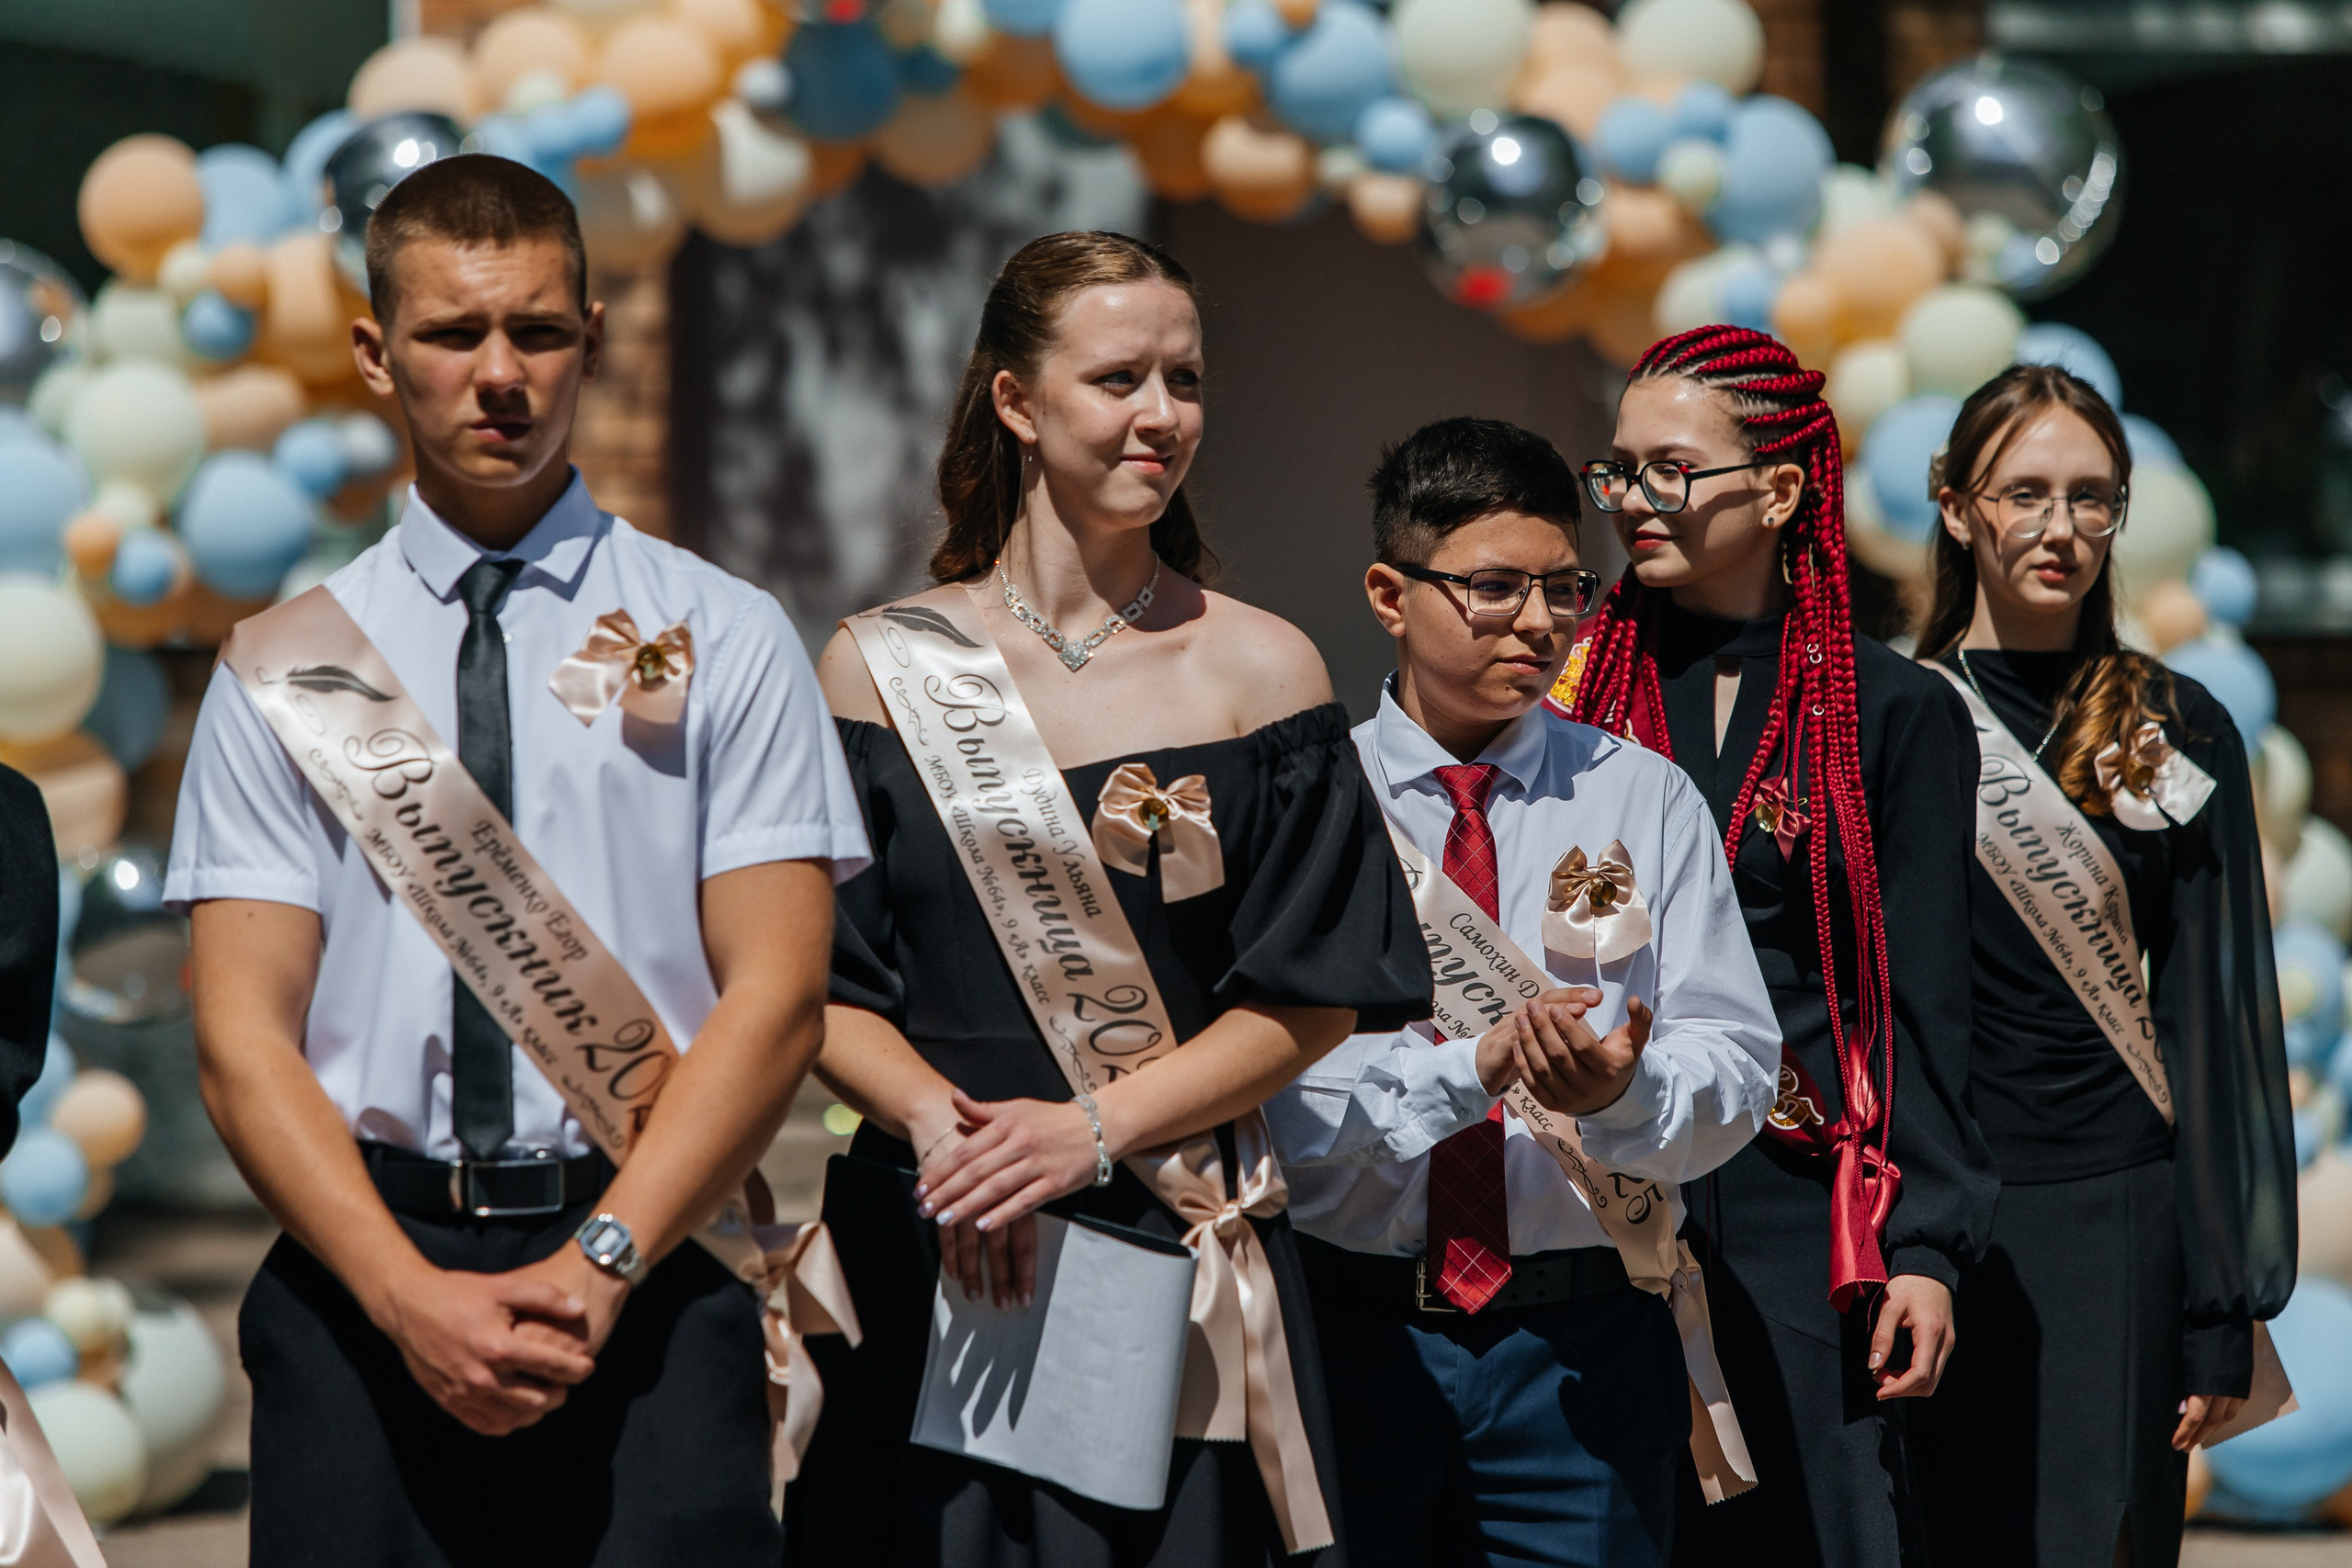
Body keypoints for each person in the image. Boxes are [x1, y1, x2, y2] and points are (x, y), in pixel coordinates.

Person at [165, 154, 866, 1567]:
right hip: (363, 1283)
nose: (501, 375)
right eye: (453, 332)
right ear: (377, 353)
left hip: (649, 1267)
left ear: (593, 340)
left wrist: (603, 1262)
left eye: (539, 332)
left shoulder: (724, 632)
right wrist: (402, 1292)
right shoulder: (285, 668)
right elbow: (241, 1040)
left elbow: (781, 995)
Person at [795, 230, 1430, 1567]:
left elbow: (1311, 997)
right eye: (1118, 378)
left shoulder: (1262, 669)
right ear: (1017, 402)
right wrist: (956, 1143)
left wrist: (1088, 1132)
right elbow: (815, 983)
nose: (1162, 414)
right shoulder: (874, 667)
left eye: (1185, 380)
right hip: (941, 1229)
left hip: (1172, 1227)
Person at [1265, 416, 1781, 1567]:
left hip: (1583, 1348)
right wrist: (1472, 1071)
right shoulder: (1313, 799)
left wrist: (1622, 1097)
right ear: (1390, 595)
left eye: (1565, 589)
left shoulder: (1640, 795)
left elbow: (1739, 1065)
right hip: (1349, 1330)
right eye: (1495, 588)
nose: (1541, 623)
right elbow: (1271, 1091)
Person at [1555, 325, 1997, 1568]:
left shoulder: (1890, 710)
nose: (1633, 499)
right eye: (1618, 469)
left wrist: (1926, 1246)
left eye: (1671, 469)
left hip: (1802, 1212)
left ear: (1783, 489)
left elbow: (1923, 1000)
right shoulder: (1571, 686)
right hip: (1594, 1188)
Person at [1905, 364, 2296, 1567]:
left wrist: (2221, 1303)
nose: (2060, 526)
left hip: (2122, 1220)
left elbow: (2214, 1016)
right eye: (2025, 492)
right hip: (1937, 1225)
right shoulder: (1892, 717)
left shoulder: (2174, 722)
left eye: (2091, 496)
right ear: (1955, 505)